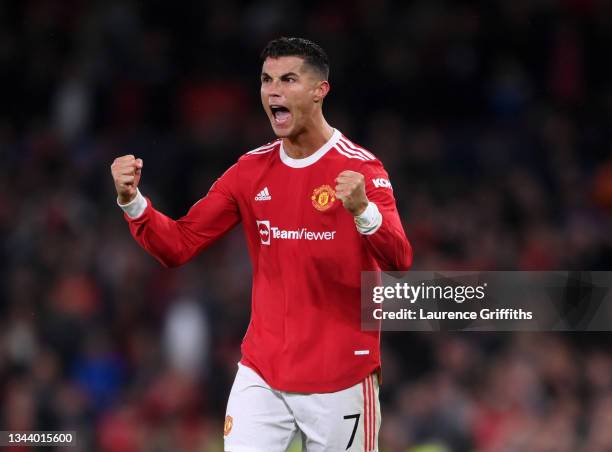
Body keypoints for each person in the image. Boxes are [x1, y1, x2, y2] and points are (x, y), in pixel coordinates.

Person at [110, 36, 412, 452]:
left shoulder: (360, 168)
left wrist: (363, 210)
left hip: (340, 377)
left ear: (319, 90)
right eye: (267, 80)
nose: (273, 91)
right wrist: (133, 203)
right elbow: (178, 245)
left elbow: (399, 259)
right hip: (263, 373)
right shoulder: (250, 172)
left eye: (288, 79)